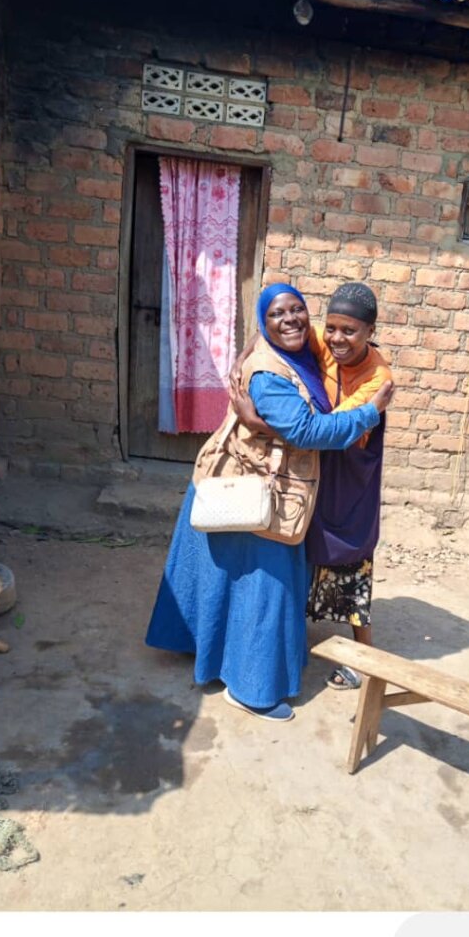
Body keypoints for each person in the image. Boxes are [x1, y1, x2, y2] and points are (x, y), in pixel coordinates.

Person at [145, 283, 393, 722]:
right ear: (264, 320)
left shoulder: (322, 357)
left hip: (284, 484)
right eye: (277, 314)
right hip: (259, 493)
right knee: (266, 589)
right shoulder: (271, 372)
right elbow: (309, 432)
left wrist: (256, 413)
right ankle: (252, 690)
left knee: (236, 581)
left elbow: (313, 426)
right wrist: (370, 412)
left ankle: (210, 650)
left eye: (297, 310)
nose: (291, 320)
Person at [231, 283, 392, 691]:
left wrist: (255, 423)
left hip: (348, 473)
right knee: (303, 550)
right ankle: (291, 639)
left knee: (351, 561)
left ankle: (364, 660)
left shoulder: (378, 379)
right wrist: (244, 356)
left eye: (349, 331)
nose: (337, 339)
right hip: (318, 468)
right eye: (331, 328)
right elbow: (274, 333)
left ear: (370, 331)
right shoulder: (326, 343)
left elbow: (326, 431)